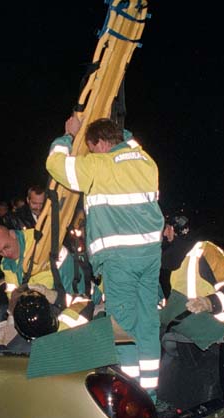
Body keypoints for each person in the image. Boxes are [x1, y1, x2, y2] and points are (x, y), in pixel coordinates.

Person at [46, 115, 164, 402]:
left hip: (119, 259)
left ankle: (130, 394)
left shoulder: (99, 166)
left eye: (91, 147)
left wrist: (68, 136)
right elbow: (131, 141)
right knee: (148, 324)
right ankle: (150, 390)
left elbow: (55, 164)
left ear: (99, 144)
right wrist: (119, 131)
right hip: (149, 256)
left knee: (122, 327)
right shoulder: (146, 161)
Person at [161, 212, 224, 331]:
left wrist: (209, 303)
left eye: (166, 228)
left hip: (216, 335)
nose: (164, 234)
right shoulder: (169, 260)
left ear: (177, 229)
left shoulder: (206, 251)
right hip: (183, 333)